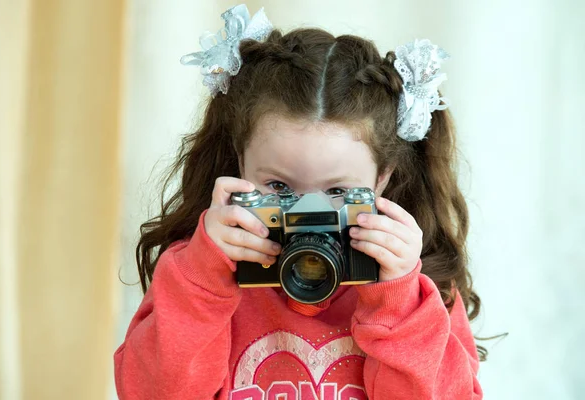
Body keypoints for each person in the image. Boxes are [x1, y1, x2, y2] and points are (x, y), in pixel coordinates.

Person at [114, 4, 485, 399]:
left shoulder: (422, 295)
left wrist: (398, 301)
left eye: (339, 192)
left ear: (382, 178)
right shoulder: (197, 275)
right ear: (241, 161)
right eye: (279, 186)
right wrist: (203, 278)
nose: (310, 212)